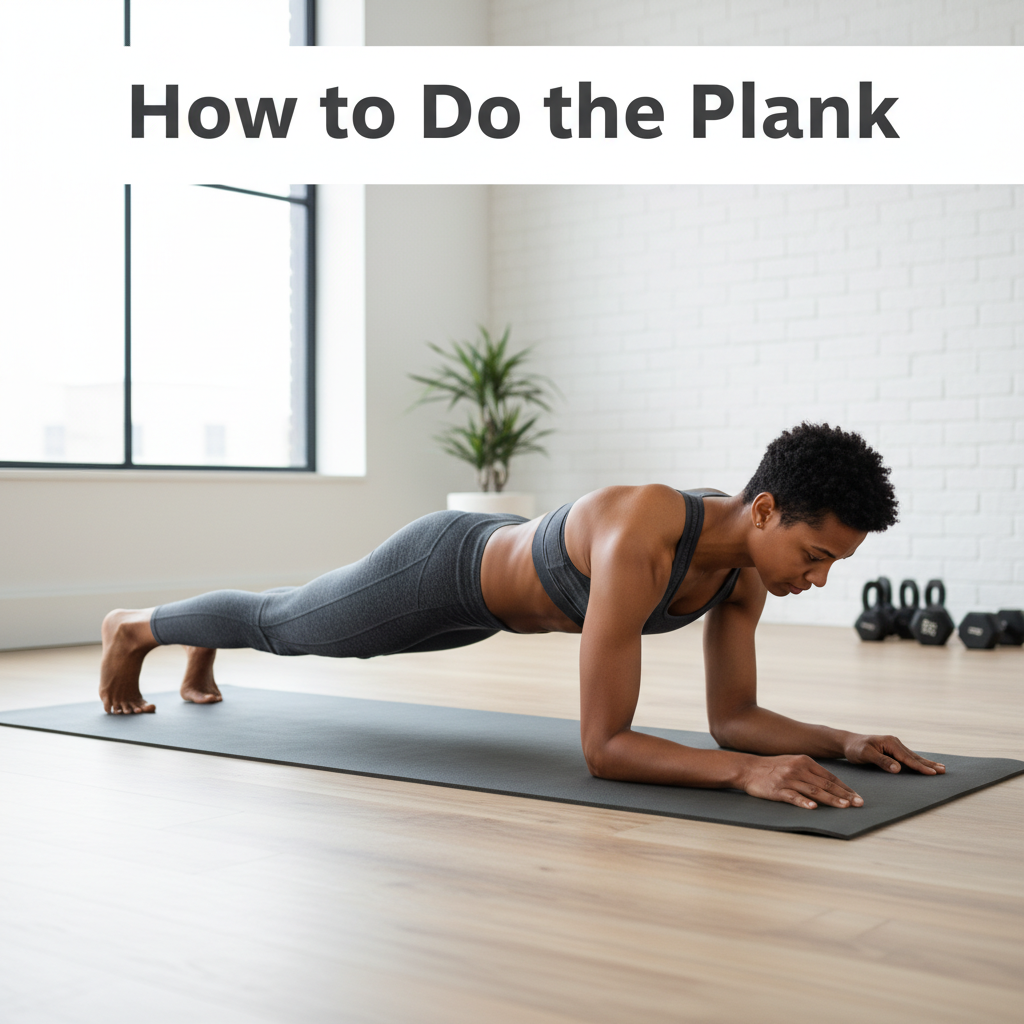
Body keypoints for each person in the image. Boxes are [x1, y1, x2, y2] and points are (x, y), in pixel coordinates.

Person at [99, 422, 945, 810]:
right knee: (288, 626)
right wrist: (744, 775)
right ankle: (135, 628)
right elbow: (605, 749)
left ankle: (200, 641)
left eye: (834, 564)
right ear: (764, 511)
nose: (819, 579)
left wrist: (843, 742)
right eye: (816, 555)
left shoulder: (745, 576)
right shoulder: (644, 532)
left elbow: (734, 719)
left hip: (492, 608)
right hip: (442, 569)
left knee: (286, 625)